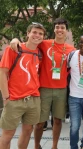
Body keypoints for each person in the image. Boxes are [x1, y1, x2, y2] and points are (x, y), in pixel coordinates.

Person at [10, 18, 76, 149]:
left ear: (66, 31)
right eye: (57, 27)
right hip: (44, 88)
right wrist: (15, 40)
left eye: (62, 27)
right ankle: (36, 145)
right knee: (40, 122)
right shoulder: (44, 44)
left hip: (61, 89)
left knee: (57, 120)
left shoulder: (71, 49)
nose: (59, 30)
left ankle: (54, 146)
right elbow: (27, 44)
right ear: (54, 29)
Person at [0, 23, 45, 149]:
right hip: (14, 99)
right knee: (8, 134)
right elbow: (2, 73)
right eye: (34, 32)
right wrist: (6, 98)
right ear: (28, 34)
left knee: (28, 131)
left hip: (33, 99)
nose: (37, 35)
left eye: (40, 33)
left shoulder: (39, 53)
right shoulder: (14, 49)